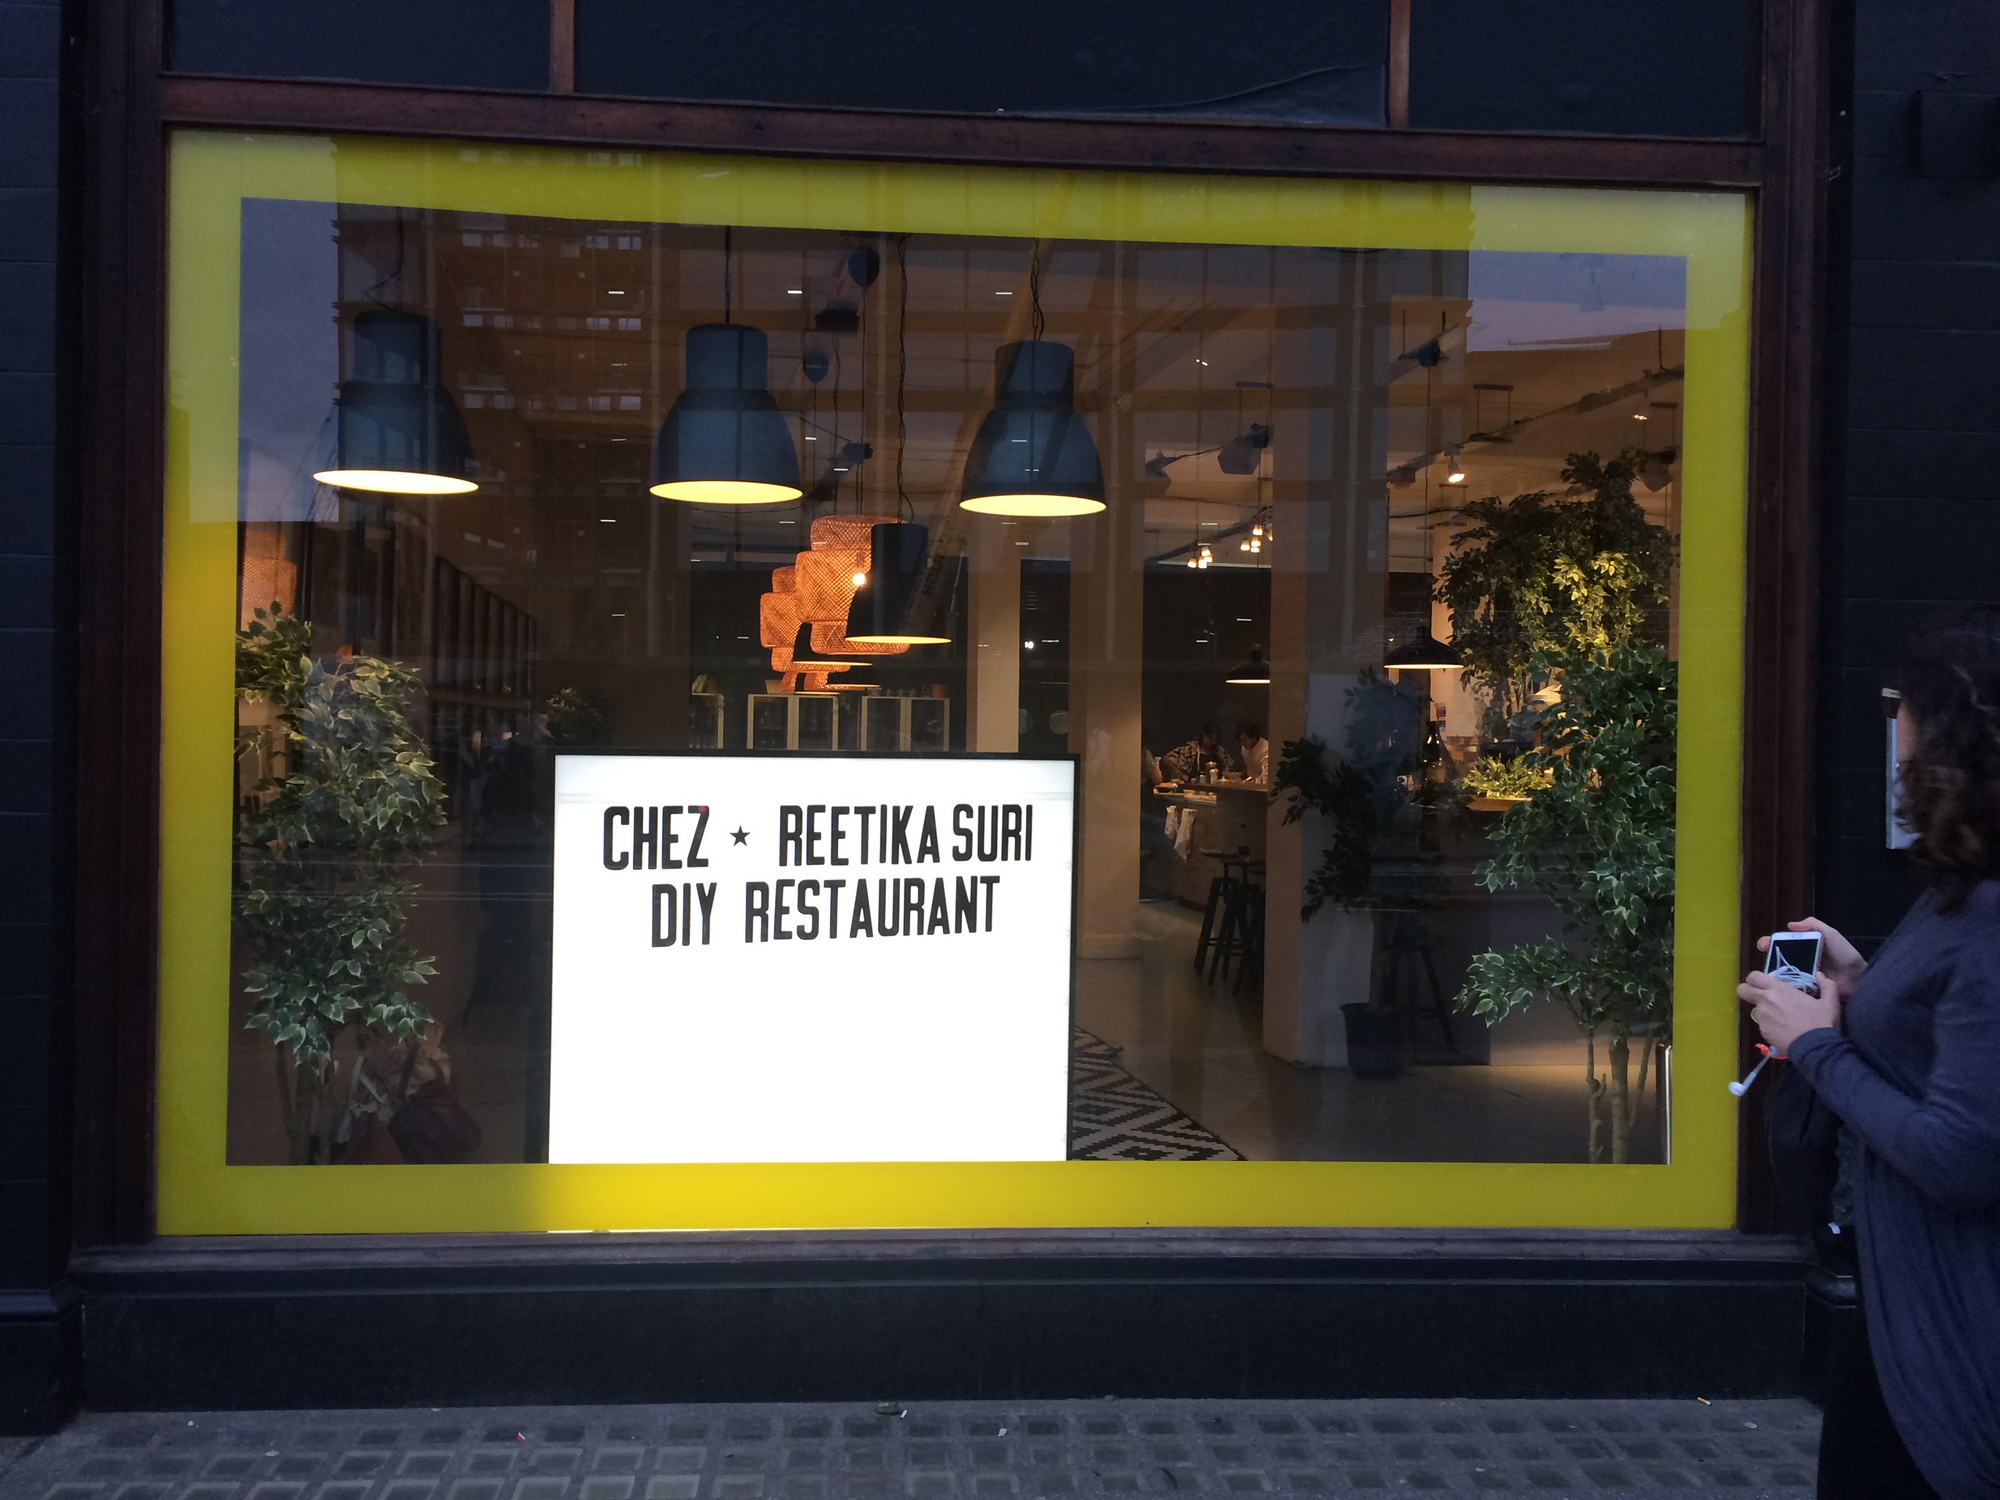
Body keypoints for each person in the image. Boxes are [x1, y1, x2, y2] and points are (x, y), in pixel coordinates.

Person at [1738, 608, 2000, 1500]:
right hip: (1901, 1304)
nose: (1893, 736)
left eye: (1903, 712)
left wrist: (1815, 1046)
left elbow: (1961, 1157)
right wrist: (1861, 983)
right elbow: (1944, 1040)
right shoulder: (1959, 885)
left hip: (1950, 1326)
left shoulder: (1989, 911)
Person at [1161, 721, 1232, 783]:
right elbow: (1166, 758)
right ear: (1203, 734)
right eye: (1210, 738)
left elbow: (1228, 769)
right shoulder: (1192, 749)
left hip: (1215, 787)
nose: (1212, 742)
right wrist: (1179, 773)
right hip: (1193, 786)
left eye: (1215, 740)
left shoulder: (1219, 752)